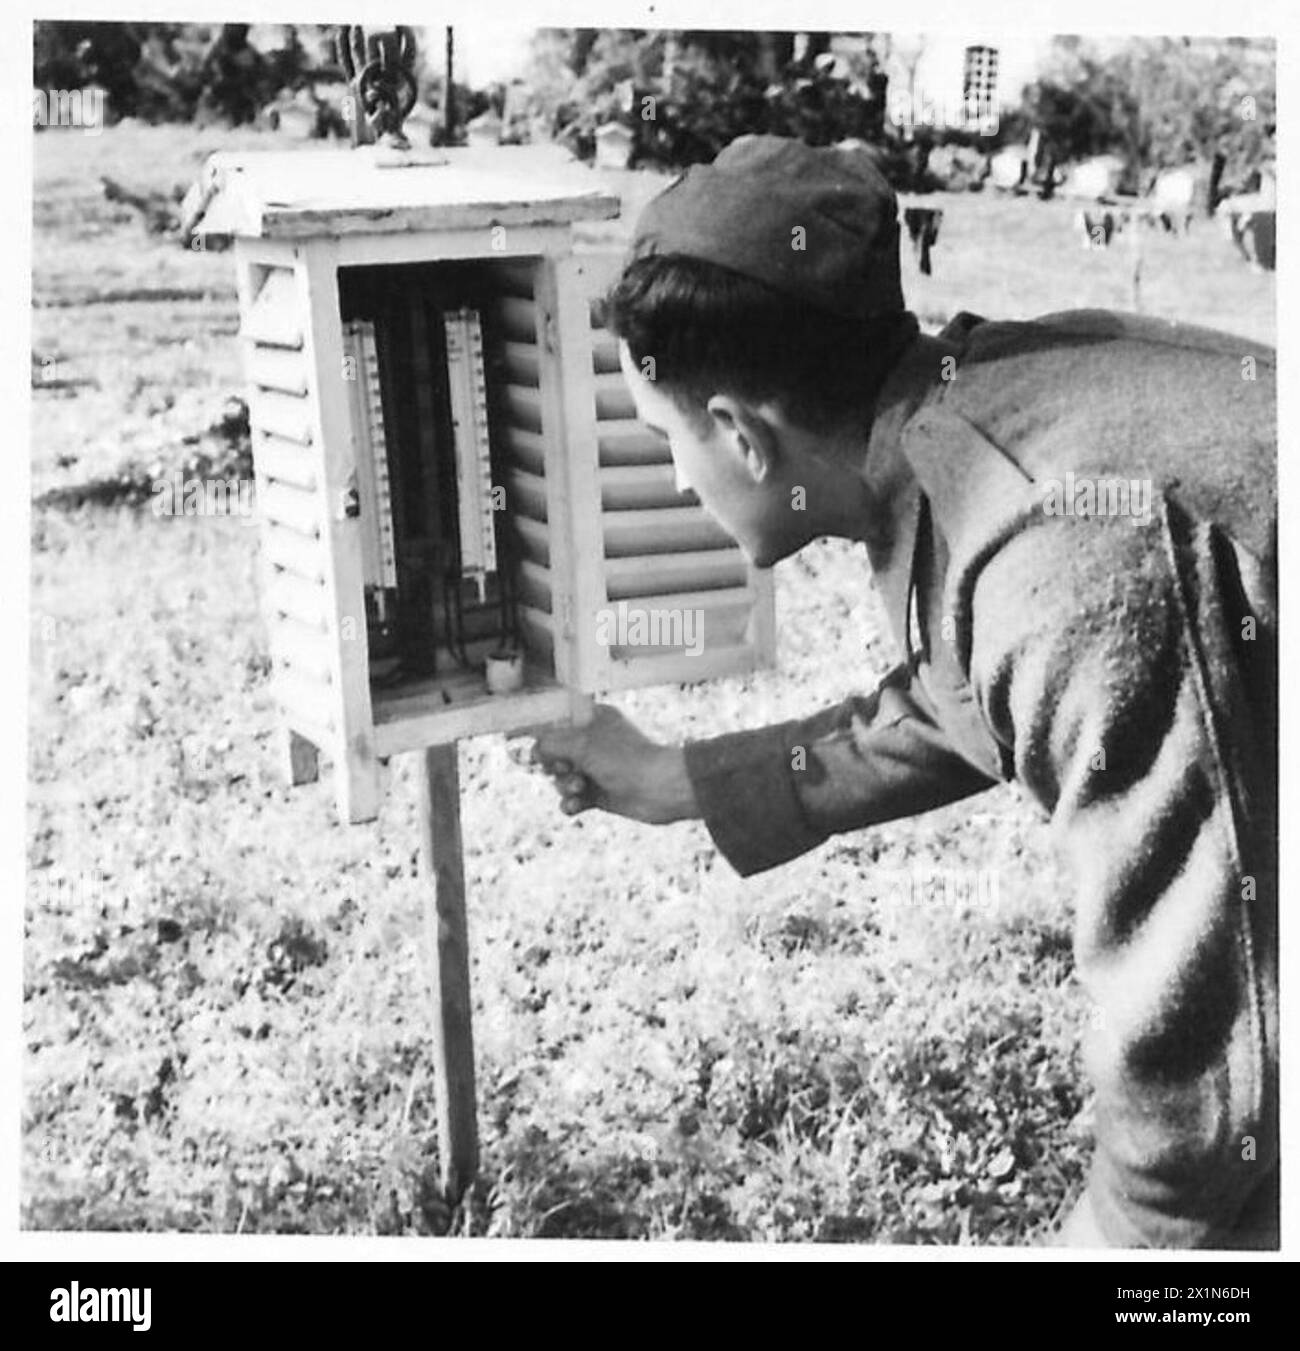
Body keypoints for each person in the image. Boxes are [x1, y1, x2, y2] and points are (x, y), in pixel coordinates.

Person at [531, 135, 1278, 1249]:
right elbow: (958, 697)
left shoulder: (1060, 552)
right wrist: (673, 778)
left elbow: (1211, 1086)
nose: (679, 479)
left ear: (740, 432)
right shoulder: (961, 416)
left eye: (668, 441)